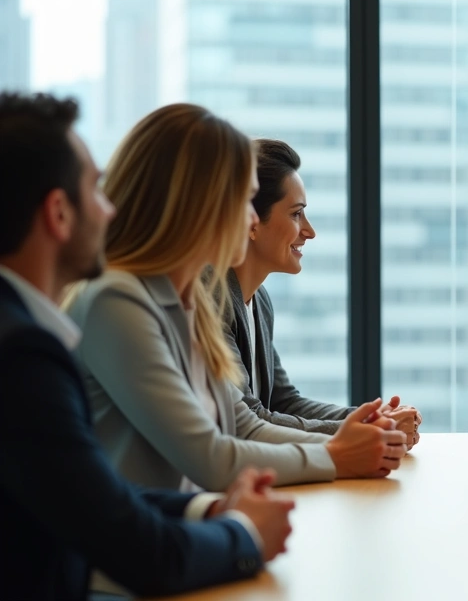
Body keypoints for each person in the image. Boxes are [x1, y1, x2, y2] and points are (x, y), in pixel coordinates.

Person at [0, 92, 294, 599]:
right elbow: (140, 550)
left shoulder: (26, 334)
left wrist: (212, 510)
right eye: (96, 190)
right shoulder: (23, 355)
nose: (111, 209)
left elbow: (96, 497)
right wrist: (244, 532)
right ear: (59, 214)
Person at [66, 103, 408, 492]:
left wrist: (357, 444)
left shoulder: (185, 298)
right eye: (243, 200)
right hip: (141, 545)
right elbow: (211, 456)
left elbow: (241, 424)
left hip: (188, 528)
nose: (250, 218)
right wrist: (338, 454)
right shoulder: (117, 301)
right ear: (196, 204)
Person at [226, 138, 420, 445]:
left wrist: (372, 418)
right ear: (251, 222)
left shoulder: (258, 300)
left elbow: (283, 402)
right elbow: (249, 421)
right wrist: (369, 430)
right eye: (295, 214)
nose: (309, 231)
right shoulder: (213, 302)